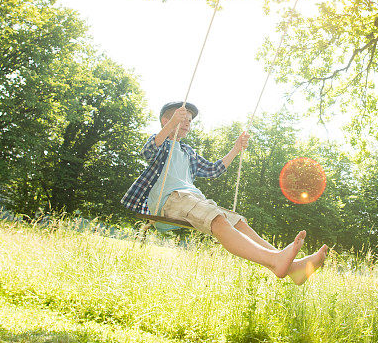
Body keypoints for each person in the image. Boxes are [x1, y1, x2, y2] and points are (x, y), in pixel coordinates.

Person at [122, 101, 327, 284]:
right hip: (168, 200)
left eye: (189, 120)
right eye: (182, 118)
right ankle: (277, 261)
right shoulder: (162, 144)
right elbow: (148, 149)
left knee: (238, 221)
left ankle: (292, 268)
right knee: (217, 218)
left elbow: (214, 170)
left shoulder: (188, 152)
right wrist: (170, 125)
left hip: (192, 199)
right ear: (166, 120)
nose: (186, 123)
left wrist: (236, 147)